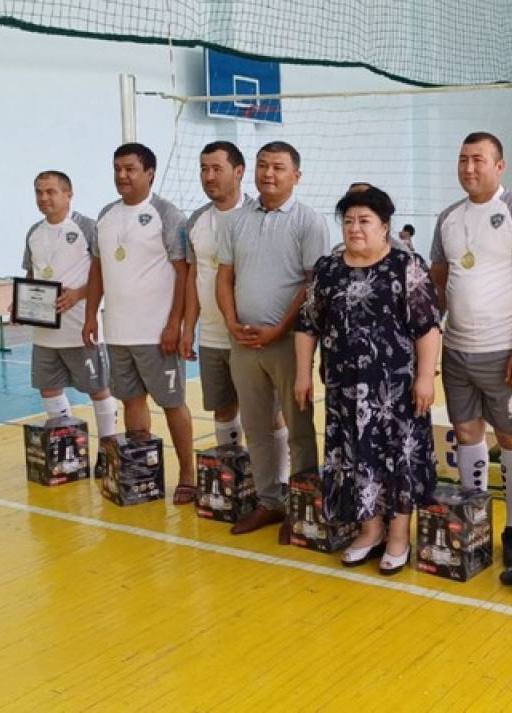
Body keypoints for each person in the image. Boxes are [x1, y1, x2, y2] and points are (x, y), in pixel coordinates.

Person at [295, 186, 441, 574]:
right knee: (355, 456)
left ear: (384, 226)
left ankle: (399, 535)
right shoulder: (328, 269)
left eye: (364, 221)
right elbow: (308, 324)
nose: (355, 228)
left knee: (398, 457)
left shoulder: (406, 266)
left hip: (396, 389)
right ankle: (370, 529)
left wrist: (425, 377)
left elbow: (428, 327)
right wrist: (302, 374)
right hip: (343, 388)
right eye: (348, 221)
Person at [429, 131, 512, 585]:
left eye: (478, 159)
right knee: (466, 432)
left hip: (503, 350)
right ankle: (473, 514)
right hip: (457, 349)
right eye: (463, 159)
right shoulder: (447, 218)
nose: (468, 168)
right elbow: (438, 287)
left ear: (500, 166)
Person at [216, 141, 329, 535]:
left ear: (296, 175)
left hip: (288, 343)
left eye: (278, 167)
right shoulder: (236, 220)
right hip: (244, 343)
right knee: (257, 427)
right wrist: (232, 322)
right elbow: (224, 277)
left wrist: (280, 328)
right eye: (263, 165)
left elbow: (312, 284)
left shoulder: (309, 222)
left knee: (299, 428)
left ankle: (302, 506)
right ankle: (269, 502)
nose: (269, 173)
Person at [84, 143, 195, 503]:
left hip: (157, 333)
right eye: (117, 168)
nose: (122, 175)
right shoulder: (106, 215)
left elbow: (184, 273)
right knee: (132, 400)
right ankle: (141, 473)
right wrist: (90, 315)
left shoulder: (167, 214)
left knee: (172, 403)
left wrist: (174, 324)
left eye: (130, 169)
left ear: (150, 172)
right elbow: (98, 270)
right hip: (117, 332)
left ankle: (188, 476)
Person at [180, 141, 290, 483]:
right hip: (212, 336)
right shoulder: (196, 221)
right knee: (223, 408)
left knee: (268, 412)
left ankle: (279, 481)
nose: (209, 176)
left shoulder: (259, 217)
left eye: (217, 169)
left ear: (239, 172)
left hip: (253, 335)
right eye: (204, 169)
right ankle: (232, 481)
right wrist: (188, 329)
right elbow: (194, 276)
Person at [22, 171, 117, 455]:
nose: (43, 198)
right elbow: (31, 276)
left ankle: (108, 450)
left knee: (98, 389)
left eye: (50, 191)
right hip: (44, 333)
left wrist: (78, 294)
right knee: (49, 389)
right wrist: (21, 304)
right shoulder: (34, 232)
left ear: (68, 194)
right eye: (38, 192)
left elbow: (107, 273)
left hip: (81, 328)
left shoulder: (88, 227)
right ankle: (68, 453)